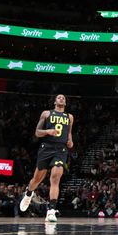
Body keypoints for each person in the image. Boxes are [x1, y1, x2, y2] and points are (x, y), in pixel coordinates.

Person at [19, 94, 74, 223]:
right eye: (59, 97)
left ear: (65, 103)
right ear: (54, 101)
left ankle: (51, 210)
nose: (61, 99)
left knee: (55, 177)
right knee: (37, 179)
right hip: (46, 147)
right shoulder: (46, 114)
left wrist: (70, 141)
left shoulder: (69, 117)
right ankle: (28, 194)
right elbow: (37, 132)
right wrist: (47, 131)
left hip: (61, 149)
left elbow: (69, 132)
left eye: (64, 98)